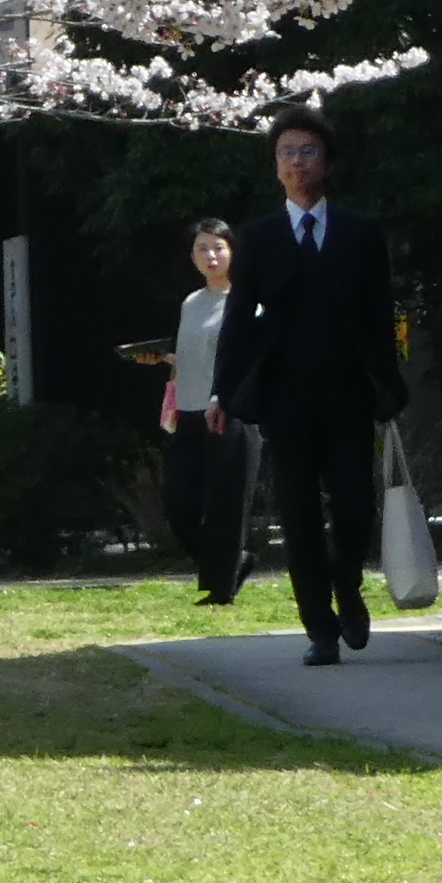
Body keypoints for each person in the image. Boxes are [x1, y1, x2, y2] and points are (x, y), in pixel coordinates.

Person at [207, 106, 408, 669]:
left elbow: (378, 317)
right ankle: (319, 628)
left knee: (353, 507)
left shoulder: (362, 234)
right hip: (283, 398)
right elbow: (238, 321)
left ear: (328, 163)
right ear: (275, 167)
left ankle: (347, 584)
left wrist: (388, 391)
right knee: (296, 515)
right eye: (286, 154)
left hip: (347, 394)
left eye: (308, 152)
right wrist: (222, 392)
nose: (296, 163)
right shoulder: (259, 237)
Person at [155, 218, 255, 607]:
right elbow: (192, 356)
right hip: (190, 410)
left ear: (232, 251)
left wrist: (228, 396)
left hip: (233, 411)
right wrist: (161, 357)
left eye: (218, 247)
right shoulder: (191, 303)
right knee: (179, 502)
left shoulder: (249, 299)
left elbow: (251, 357)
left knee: (226, 505)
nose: (211, 256)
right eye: (202, 248)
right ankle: (232, 564)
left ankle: (220, 589)